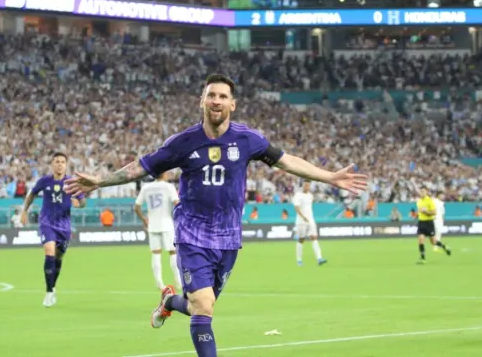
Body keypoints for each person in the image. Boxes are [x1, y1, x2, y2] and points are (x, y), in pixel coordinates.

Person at [63, 74, 367, 357]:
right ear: (202, 101)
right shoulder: (183, 142)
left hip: (228, 237)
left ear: (232, 104)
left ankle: (169, 301)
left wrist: (329, 177)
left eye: (223, 96)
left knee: (200, 306)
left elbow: (286, 161)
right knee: (204, 306)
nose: (216, 101)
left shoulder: (247, 139)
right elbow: (140, 167)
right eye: (211, 95)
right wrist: (100, 181)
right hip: (192, 234)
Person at [21, 152, 86, 307]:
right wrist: (24, 210)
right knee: (49, 252)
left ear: (66, 164)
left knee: (58, 259)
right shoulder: (45, 181)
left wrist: (79, 204)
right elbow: (32, 195)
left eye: (63, 161)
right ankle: (49, 293)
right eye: (57, 161)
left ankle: (53, 286)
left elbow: (83, 201)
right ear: (52, 164)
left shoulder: (71, 182)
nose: (60, 164)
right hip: (47, 223)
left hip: (64, 226)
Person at [134, 171, 182, 290]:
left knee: (156, 253)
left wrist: (144, 219)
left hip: (153, 224)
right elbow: (176, 203)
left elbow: (136, 206)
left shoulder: (146, 187)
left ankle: (159, 282)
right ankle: (179, 281)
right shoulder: (169, 187)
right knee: (173, 252)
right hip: (166, 224)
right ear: (164, 174)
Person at [292, 182, 327, 266]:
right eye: (305, 185)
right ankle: (299, 260)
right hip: (301, 220)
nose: (307, 187)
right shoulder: (298, 195)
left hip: (310, 219)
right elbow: (296, 207)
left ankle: (319, 258)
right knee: (301, 239)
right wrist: (303, 216)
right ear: (303, 186)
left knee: (314, 237)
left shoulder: (310, 196)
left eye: (308, 185)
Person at [415, 187, 451, 264]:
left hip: (429, 223)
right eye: (421, 191)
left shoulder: (430, 201)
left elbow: (434, 213)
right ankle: (423, 258)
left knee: (433, 242)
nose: (422, 193)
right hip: (421, 222)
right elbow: (419, 212)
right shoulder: (418, 202)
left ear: (426, 192)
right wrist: (417, 214)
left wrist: (426, 211)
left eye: (423, 191)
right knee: (421, 240)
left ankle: (444, 247)